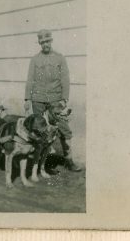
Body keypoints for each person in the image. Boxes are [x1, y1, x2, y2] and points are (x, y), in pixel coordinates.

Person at [24, 29, 81, 172]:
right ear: (39, 43)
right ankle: (40, 163)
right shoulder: (34, 60)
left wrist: (64, 99)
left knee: (64, 130)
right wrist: (27, 98)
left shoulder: (60, 58)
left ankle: (69, 160)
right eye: (42, 42)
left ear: (51, 41)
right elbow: (30, 80)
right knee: (40, 131)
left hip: (56, 101)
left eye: (47, 41)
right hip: (38, 100)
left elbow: (65, 80)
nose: (45, 45)